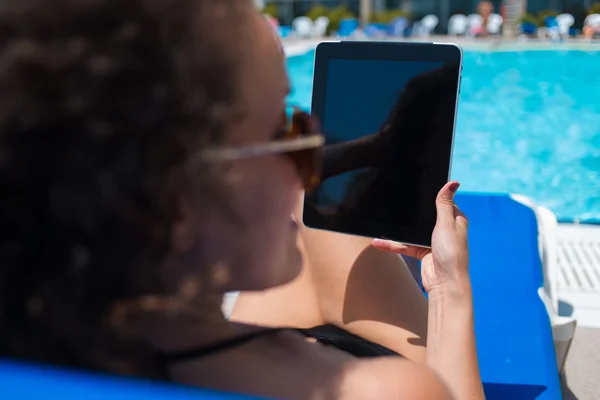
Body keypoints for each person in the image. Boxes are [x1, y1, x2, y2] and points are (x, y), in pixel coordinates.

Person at [0, 1, 484, 399]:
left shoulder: (43, 346)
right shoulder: (390, 391)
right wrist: (448, 291)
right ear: (177, 203)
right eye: (283, 130)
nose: (310, 154)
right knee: (324, 222)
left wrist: (368, 150)